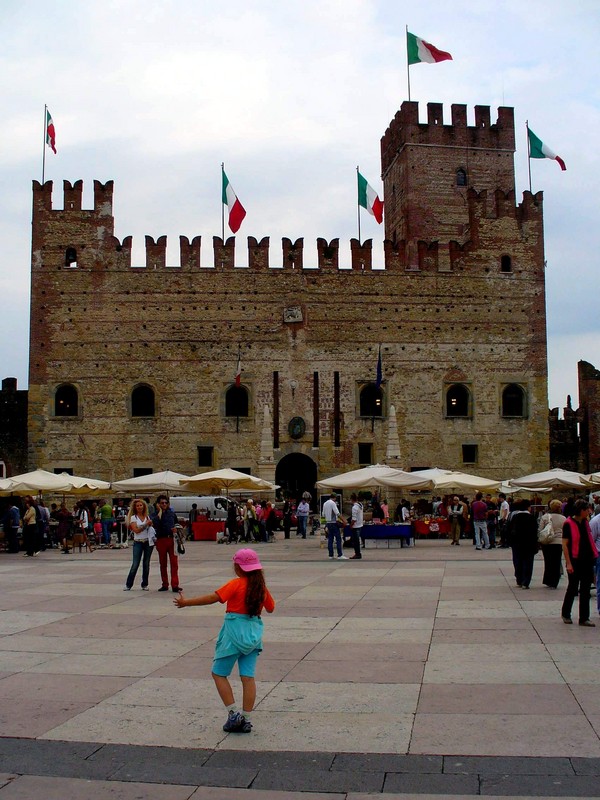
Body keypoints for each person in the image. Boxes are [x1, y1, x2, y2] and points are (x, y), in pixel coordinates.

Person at [173, 548, 275, 733]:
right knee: (248, 677)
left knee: (219, 673)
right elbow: (271, 608)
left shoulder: (236, 584)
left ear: (238, 567)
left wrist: (186, 603)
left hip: (232, 635)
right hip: (253, 635)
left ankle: (233, 713)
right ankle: (246, 719)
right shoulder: (261, 588)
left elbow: (213, 598)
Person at [561, 499, 598, 626]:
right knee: (572, 588)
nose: (588, 511)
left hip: (587, 559)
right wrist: (568, 563)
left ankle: (584, 617)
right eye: (587, 509)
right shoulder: (568, 523)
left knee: (585, 589)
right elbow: (565, 544)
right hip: (575, 560)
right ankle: (566, 614)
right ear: (581, 510)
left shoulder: (585, 522)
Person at [151, 495, 182, 593]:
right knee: (163, 563)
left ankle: (175, 584)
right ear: (158, 504)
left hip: (171, 539)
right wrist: (160, 512)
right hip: (161, 540)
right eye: (162, 503)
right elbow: (153, 523)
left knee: (174, 563)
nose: (164, 504)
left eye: (165, 503)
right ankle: (165, 584)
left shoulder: (172, 514)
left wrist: (176, 529)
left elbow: (177, 524)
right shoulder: (155, 514)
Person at [124, 498, 155, 591]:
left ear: (144, 506)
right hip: (138, 542)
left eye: (141, 505)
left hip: (148, 542)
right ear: (135, 507)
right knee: (135, 564)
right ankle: (128, 584)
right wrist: (145, 525)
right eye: (137, 506)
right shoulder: (134, 518)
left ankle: (144, 584)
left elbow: (150, 527)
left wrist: (149, 524)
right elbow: (136, 530)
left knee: (146, 563)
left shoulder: (147, 517)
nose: (139, 507)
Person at [507, 498, 539, 589]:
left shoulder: (515, 517)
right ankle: (526, 581)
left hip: (516, 543)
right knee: (528, 562)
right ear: (528, 507)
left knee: (518, 561)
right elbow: (535, 532)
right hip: (529, 543)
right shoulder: (532, 518)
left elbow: (509, 530)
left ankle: (519, 579)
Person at [538, 499, 566, 589]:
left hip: (547, 542)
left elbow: (540, 529)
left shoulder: (545, 517)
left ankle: (548, 579)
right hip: (558, 542)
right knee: (556, 561)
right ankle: (555, 581)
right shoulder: (563, 518)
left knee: (548, 561)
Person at [323, 493, 347, 560]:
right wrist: (344, 520)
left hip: (328, 523)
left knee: (330, 539)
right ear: (335, 497)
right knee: (338, 538)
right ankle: (340, 555)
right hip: (334, 523)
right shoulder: (333, 503)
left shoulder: (325, 503)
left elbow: (323, 514)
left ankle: (330, 555)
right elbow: (337, 513)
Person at [349, 493, 363, 559]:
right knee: (357, 540)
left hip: (356, 526)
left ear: (352, 499)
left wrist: (351, 525)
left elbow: (354, 519)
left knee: (356, 541)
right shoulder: (360, 505)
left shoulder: (354, 507)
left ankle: (357, 554)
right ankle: (358, 553)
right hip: (360, 525)